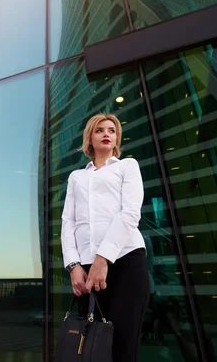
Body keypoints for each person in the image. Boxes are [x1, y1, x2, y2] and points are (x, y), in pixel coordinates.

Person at [61, 113, 150, 361]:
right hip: (86, 269)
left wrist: (103, 259)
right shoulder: (76, 177)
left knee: (122, 347)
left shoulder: (127, 166)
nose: (107, 134)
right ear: (90, 137)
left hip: (126, 260)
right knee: (91, 347)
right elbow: (68, 221)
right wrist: (73, 265)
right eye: (100, 130)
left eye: (111, 130)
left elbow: (130, 213)